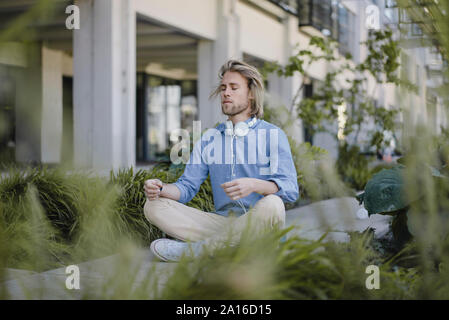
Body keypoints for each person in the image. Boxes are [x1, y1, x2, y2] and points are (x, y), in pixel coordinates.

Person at [143, 60, 299, 262]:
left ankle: (197, 251)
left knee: (273, 203)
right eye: (224, 88)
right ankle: (229, 247)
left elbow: (291, 189)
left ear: (251, 93)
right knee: (154, 206)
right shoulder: (209, 138)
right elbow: (187, 187)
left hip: (261, 223)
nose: (226, 93)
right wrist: (160, 189)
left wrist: (254, 185)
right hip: (222, 224)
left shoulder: (272, 134)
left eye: (234, 88)